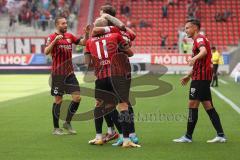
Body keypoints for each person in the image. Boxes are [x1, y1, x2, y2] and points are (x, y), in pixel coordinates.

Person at [85, 18, 140, 148]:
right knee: (123, 107)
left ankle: (98, 137)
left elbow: (88, 63)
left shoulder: (89, 41)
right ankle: (127, 140)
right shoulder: (115, 35)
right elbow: (130, 53)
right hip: (117, 76)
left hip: (100, 78)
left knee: (99, 106)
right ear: (107, 26)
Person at [173, 19, 226, 143]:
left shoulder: (199, 39)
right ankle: (220, 135)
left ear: (195, 28)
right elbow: (200, 62)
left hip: (200, 78)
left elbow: (204, 52)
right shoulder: (199, 40)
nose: (185, 30)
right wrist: (188, 75)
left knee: (192, 104)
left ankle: (188, 136)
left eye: (187, 28)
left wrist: (193, 59)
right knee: (208, 106)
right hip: (201, 76)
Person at [44, 16, 90, 135]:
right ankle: (56, 128)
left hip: (70, 74)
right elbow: (46, 51)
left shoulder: (70, 36)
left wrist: (86, 34)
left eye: (66, 23)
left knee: (77, 98)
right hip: (58, 75)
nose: (65, 25)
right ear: (57, 25)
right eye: (63, 23)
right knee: (58, 100)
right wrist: (55, 41)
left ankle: (67, 122)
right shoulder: (51, 37)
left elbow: (84, 43)